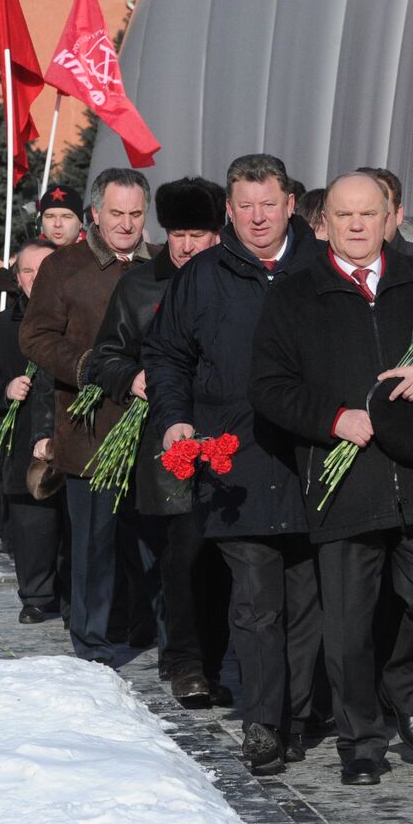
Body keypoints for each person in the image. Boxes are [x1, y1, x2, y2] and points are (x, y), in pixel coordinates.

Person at [249, 171, 413, 786]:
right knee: (348, 627)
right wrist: (332, 419)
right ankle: (362, 741)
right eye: (343, 215)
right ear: (323, 221)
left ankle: (406, 688)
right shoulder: (297, 292)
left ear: (391, 216)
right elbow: (269, 386)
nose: (356, 226)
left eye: (368, 214)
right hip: (345, 480)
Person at [144, 153, 323, 776]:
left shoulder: (322, 266)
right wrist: (175, 418)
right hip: (235, 462)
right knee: (254, 601)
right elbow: (166, 354)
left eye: (267, 205)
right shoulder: (204, 276)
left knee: (307, 601)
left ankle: (298, 714)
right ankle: (262, 724)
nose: (256, 217)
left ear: (290, 204)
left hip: (312, 459)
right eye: (244, 206)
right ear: (229, 209)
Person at [87, 177, 231, 705]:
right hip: (167, 443)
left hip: (231, 439)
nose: (188, 245)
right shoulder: (141, 285)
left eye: (199, 233)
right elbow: (104, 355)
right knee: (182, 555)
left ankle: (214, 658)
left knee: (226, 557)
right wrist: (134, 377)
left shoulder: (235, 281)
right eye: (178, 233)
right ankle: (186, 662)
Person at [20, 168, 161, 665]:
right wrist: (89, 368)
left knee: (152, 542)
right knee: (95, 545)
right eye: (116, 213)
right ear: (95, 214)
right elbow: (35, 337)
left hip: (154, 427)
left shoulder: (164, 263)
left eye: (136, 214)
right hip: (90, 428)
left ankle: (157, 636)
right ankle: (94, 645)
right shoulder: (66, 267)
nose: (126, 224)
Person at [0, 241, 63, 622]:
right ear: (17, 277)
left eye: (45, 269)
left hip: (72, 437)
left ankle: (75, 597)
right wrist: (5, 389)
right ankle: (37, 595)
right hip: (23, 441)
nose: (36, 278)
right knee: (32, 524)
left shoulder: (76, 319)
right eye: (28, 270)